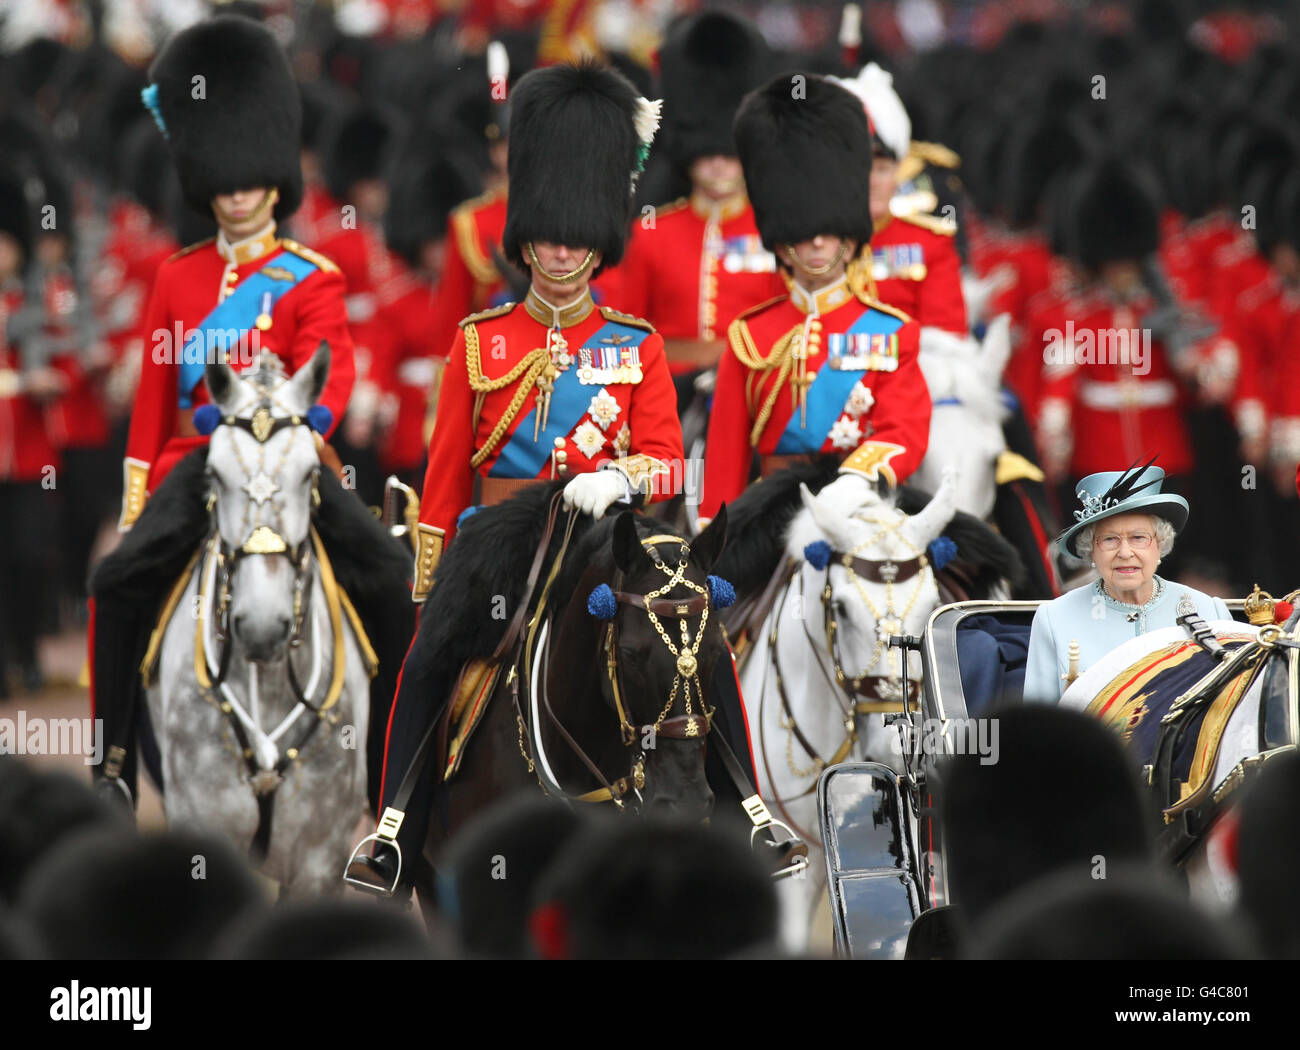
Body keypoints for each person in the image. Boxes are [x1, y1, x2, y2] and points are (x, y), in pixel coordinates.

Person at [347, 61, 687, 896]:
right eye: (547, 235)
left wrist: (624, 481)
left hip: (609, 537)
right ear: (525, 236)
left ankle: (744, 802)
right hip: (498, 546)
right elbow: (444, 478)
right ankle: (396, 825)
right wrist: (433, 578)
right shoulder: (479, 339)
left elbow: (671, 458)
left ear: (600, 239)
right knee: (425, 661)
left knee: (690, 643)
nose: (562, 251)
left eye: (576, 237)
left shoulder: (636, 344)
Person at [88, 15, 412, 815]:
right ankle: (114, 765)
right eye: (225, 186)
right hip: (192, 467)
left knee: (390, 586)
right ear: (207, 185)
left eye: (250, 183)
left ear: (274, 181)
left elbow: (329, 385)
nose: (237, 198)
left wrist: (294, 428)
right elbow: (158, 401)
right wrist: (138, 499)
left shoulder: (313, 276)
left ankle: (391, 777)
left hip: (289, 457)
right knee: (116, 586)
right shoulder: (176, 278)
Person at [699, 73, 932, 523]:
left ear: (849, 238)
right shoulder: (749, 336)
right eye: (806, 235)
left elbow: (905, 428)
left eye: (831, 233)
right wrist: (715, 526)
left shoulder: (893, 332)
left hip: (861, 505)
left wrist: (858, 478)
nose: (820, 244)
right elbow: (726, 448)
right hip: (771, 513)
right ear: (784, 243)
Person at [597, 11, 783, 410]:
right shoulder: (653, 234)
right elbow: (626, 330)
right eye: (708, 152)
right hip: (664, 394)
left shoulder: (775, 230)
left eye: (729, 153)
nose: (718, 163)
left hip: (754, 392)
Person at [1023, 460, 1231, 703]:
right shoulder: (1054, 618)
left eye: (1139, 538)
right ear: (1091, 550)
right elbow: (1037, 727)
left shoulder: (1208, 610)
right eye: (1109, 539)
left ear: (1160, 544)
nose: (1124, 552)